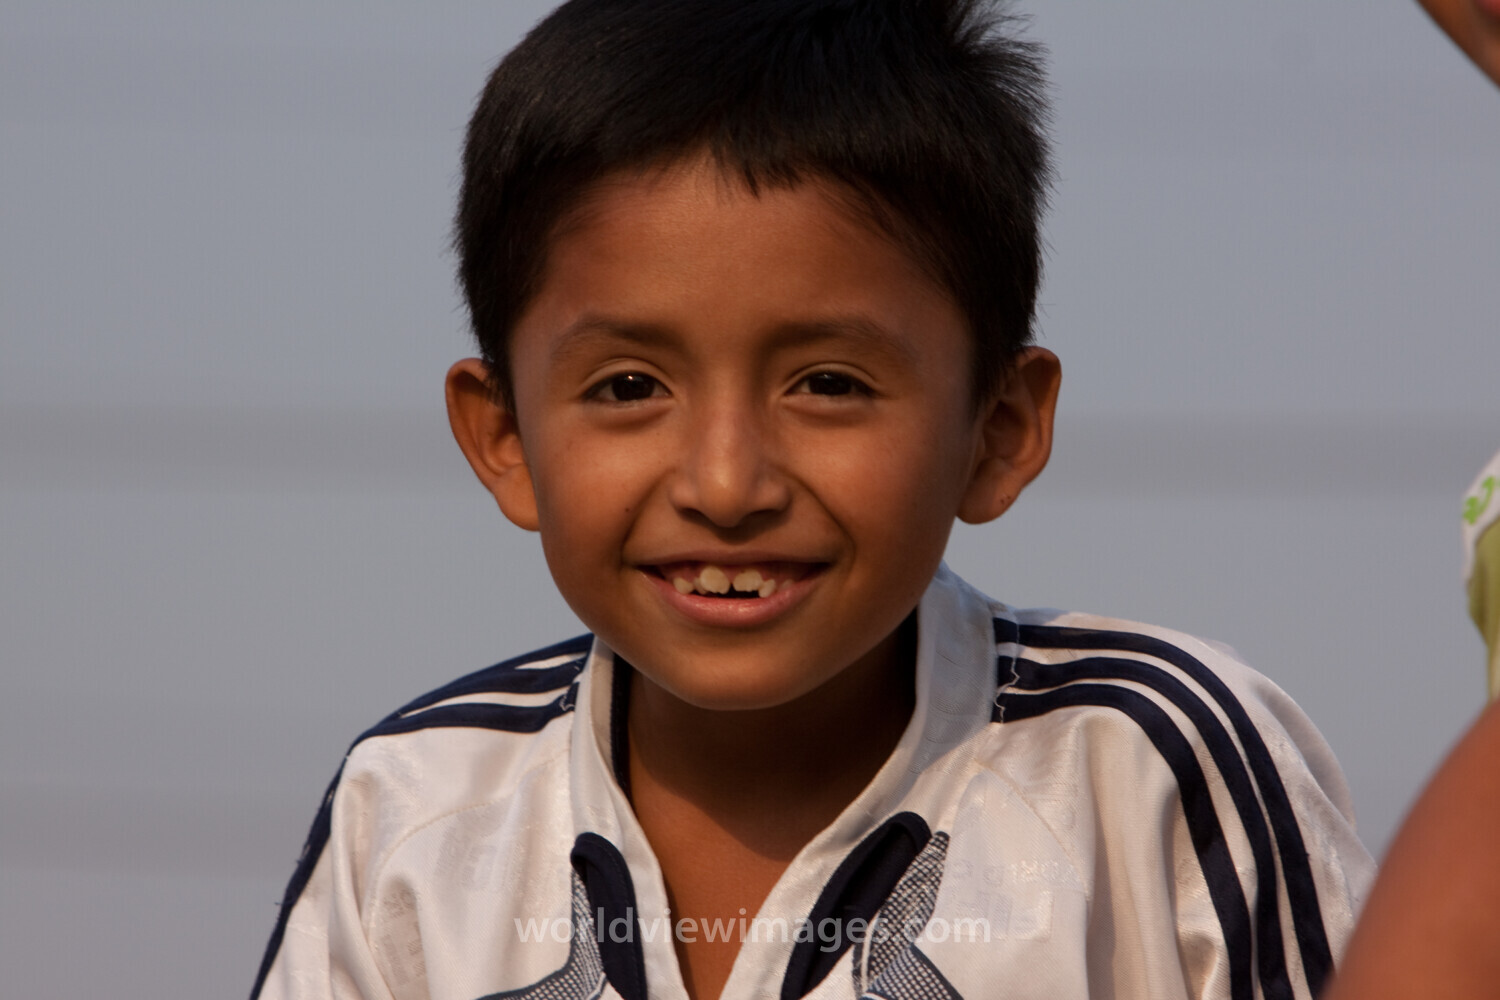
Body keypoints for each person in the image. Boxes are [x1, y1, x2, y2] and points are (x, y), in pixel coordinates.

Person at [250, 2, 1374, 998]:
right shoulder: (414, 814)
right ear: (503, 438)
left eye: (829, 384)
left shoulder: (1148, 768)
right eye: (630, 387)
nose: (726, 485)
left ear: (999, 429)